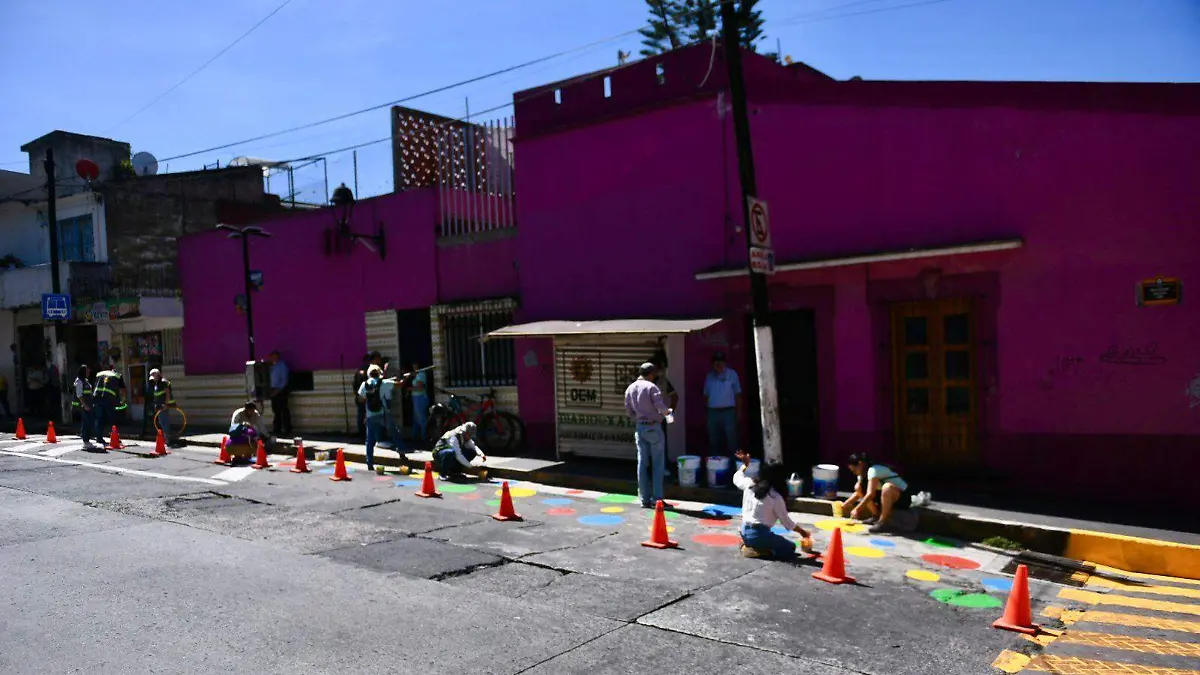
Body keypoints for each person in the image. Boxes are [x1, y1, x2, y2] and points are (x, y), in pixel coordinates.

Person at [733, 449, 811, 559]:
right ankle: (759, 551)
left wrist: (745, 465)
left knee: (768, 539)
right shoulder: (774, 496)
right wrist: (803, 532)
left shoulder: (749, 484)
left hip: (744, 530)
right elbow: (787, 522)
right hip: (759, 534)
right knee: (790, 548)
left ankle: (750, 545)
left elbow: (737, 478)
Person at [623, 362, 672, 509]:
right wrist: (668, 413)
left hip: (640, 428)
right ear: (651, 374)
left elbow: (629, 412)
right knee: (658, 463)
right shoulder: (652, 387)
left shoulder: (630, 388)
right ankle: (657, 499)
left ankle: (644, 498)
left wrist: (639, 418)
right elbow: (660, 406)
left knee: (642, 463)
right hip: (653, 427)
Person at [841, 453, 911, 534]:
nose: (854, 473)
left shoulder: (874, 470)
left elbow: (870, 494)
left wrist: (857, 509)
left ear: (860, 464)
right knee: (858, 486)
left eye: (854, 470)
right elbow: (858, 493)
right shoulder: (862, 475)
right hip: (885, 497)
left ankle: (883, 522)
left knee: (887, 487)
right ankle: (876, 516)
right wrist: (846, 504)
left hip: (902, 497)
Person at [703, 351, 741, 457]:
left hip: (728, 412)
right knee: (713, 440)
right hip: (713, 412)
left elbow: (738, 394)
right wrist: (707, 413)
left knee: (731, 440)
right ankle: (716, 466)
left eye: (721, 361)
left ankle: (733, 466)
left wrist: (739, 412)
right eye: (716, 361)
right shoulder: (709, 377)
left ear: (725, 362)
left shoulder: (732, 374)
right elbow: (706, 395)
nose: (718, 364)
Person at [356, 365, 393, 471]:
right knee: (388, 435)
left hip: (370, 415)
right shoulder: (383, 383)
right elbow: (396, 386)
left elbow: (360, 399)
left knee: (369, 440)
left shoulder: (365, 384)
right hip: (382, 414)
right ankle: (401, 454)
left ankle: (369, 462)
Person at [92, 364, 126, 441]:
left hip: (97, 398)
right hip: (109, 399)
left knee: (99, 418)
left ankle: (99, 437)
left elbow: (95, 386)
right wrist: (123, 400)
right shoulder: (117, 375)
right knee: (112, 419)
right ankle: (115, 438)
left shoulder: (99, 374)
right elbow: (123, 390)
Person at [148, 368, 176, 443]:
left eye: (154, 376)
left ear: (158, 375)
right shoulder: (157, 383)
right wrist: (156, 405)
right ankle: (165, 438)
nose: (153, 379)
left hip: (164, 405)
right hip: (160, 406)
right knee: (162, 422)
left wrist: (166, 404)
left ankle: (167, 439)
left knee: (165, 422)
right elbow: (157, 396)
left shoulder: (163, 382)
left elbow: (168, 394)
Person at [267, 351, 291, 437]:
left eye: (275, 356)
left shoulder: (282, 366)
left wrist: (278, 389)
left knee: (283, 410)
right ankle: (277, 429)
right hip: (273, 389)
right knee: (276, 410)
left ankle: (287, 429)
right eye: (272, 357)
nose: (273, 358)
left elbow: (284, 379)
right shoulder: (271, 366)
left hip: (281, 390)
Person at [407, 361, 430, 444]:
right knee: (416, 419)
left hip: (420, 398)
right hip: (416, 398)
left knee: (422, 418)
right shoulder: (418, 374)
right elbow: (413, 374)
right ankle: (414, 436)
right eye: (413, 364)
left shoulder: (421, 374)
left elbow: (419, 387)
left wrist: (409, 389)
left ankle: (425, 437)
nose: (414, 365)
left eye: (415, 364)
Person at [74, 365, 95, 448]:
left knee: (87, 421)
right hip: (84, 405)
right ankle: (85, 440)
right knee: (87, 421)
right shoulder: (79, 381)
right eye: (87, 371)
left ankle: (86, 438)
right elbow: (79, 395)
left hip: (89, 404)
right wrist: (85, 405)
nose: (89, 372)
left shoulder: (85, 381)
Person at [352, 353, 371, 440]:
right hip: (364, 396)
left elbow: (354, 385)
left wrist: (357, 394)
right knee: (364, 415)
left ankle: (362, 434)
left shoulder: (359, 370)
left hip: (360, 396)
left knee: (361, 415)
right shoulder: (365, 371)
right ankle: (363, 434)